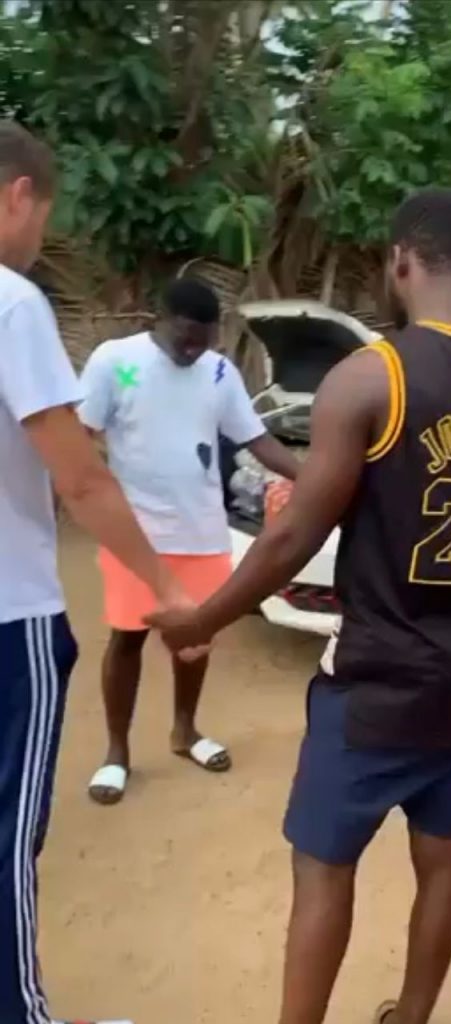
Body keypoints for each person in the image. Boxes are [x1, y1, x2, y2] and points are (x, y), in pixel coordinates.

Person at [148, 187, 451, 1024]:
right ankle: (411, 1015)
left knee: (323, 869)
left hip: (374, 687)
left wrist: (202, 621)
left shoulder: (372, 375)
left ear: (401, 260)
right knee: (442, 860)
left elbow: (290, 538)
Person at [0, 121, 190, 1024]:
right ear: (17, 195)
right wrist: (168, 587)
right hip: (10, 618)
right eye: (46, 214)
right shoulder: (12, 304)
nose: (42, 238)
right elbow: (80, 478)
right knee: (7, 839)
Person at [79, 277, 299, 805]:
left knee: (196, 640)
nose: (193, 350)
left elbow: (256, 438)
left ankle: (185, 731)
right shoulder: (116, 362)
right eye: (185, 338)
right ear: (160, 317)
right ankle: (116, 753)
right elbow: (79, 434)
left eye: (204, 341)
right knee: (127, 638)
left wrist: (315, 478)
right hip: (135, 536)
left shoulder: (219, 372)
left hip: (201, 532)